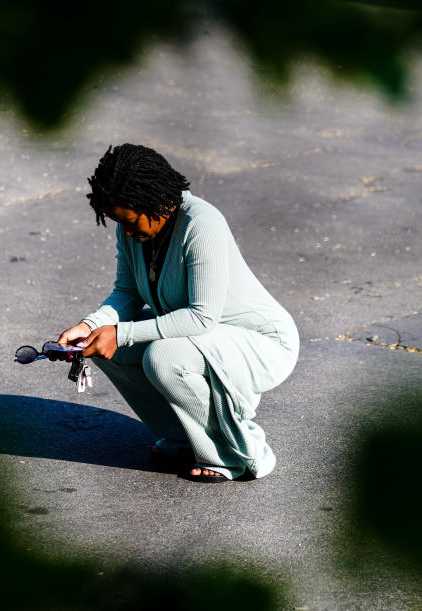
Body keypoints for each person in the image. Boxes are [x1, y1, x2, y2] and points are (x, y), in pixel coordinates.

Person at [57, 144, 299, 483]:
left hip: (262, 343)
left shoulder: (202, 223)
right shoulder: (132, 230)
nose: (126, 232)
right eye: (118, 223)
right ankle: (184, 438)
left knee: (164, 356)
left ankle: (229, 454)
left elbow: (201, 317)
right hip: (203, 337)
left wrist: (121, 333)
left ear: (156, 201)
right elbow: (127, 292)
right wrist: (91, 325)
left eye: (129, 221)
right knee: (104, 345)